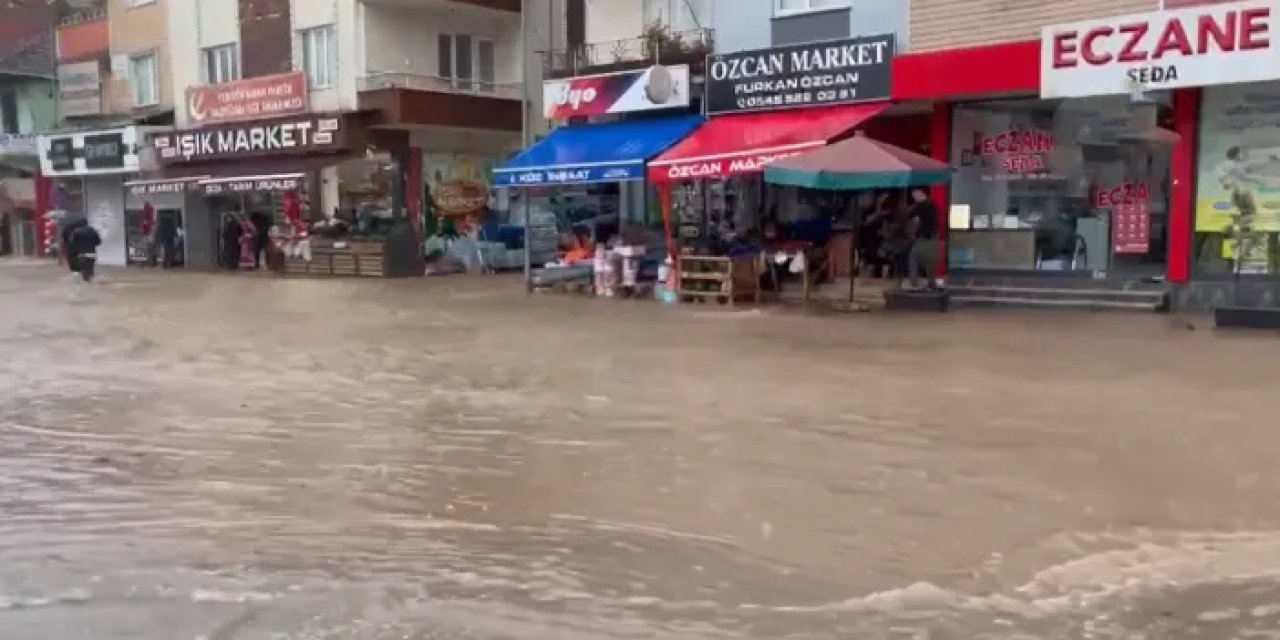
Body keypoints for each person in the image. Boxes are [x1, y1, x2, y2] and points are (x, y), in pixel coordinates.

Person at [905, 187, 940, 289]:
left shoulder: (920, 207)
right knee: (930, 261)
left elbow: (910, 218)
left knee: (913, 257)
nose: (914, 198)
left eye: (915, 195)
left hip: (924, 237)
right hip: (933, 237)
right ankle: (931, 282)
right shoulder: (933, 205)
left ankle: (914, 283)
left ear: (922, 194)